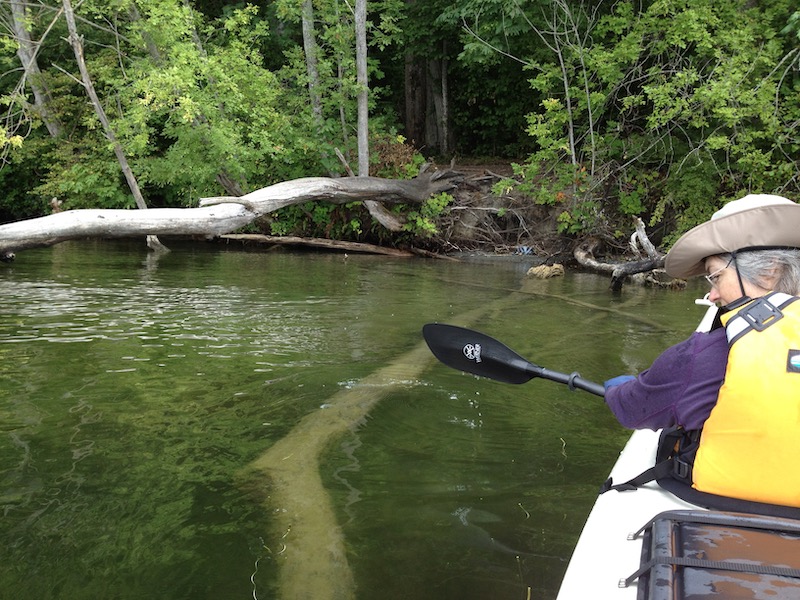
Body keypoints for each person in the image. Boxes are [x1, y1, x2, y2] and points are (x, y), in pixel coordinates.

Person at [603, 193, 800, 509]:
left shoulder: (701, 356)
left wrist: (616, 389)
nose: (711, 294)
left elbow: (632, 408)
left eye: (716, 276)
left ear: (770, 272)